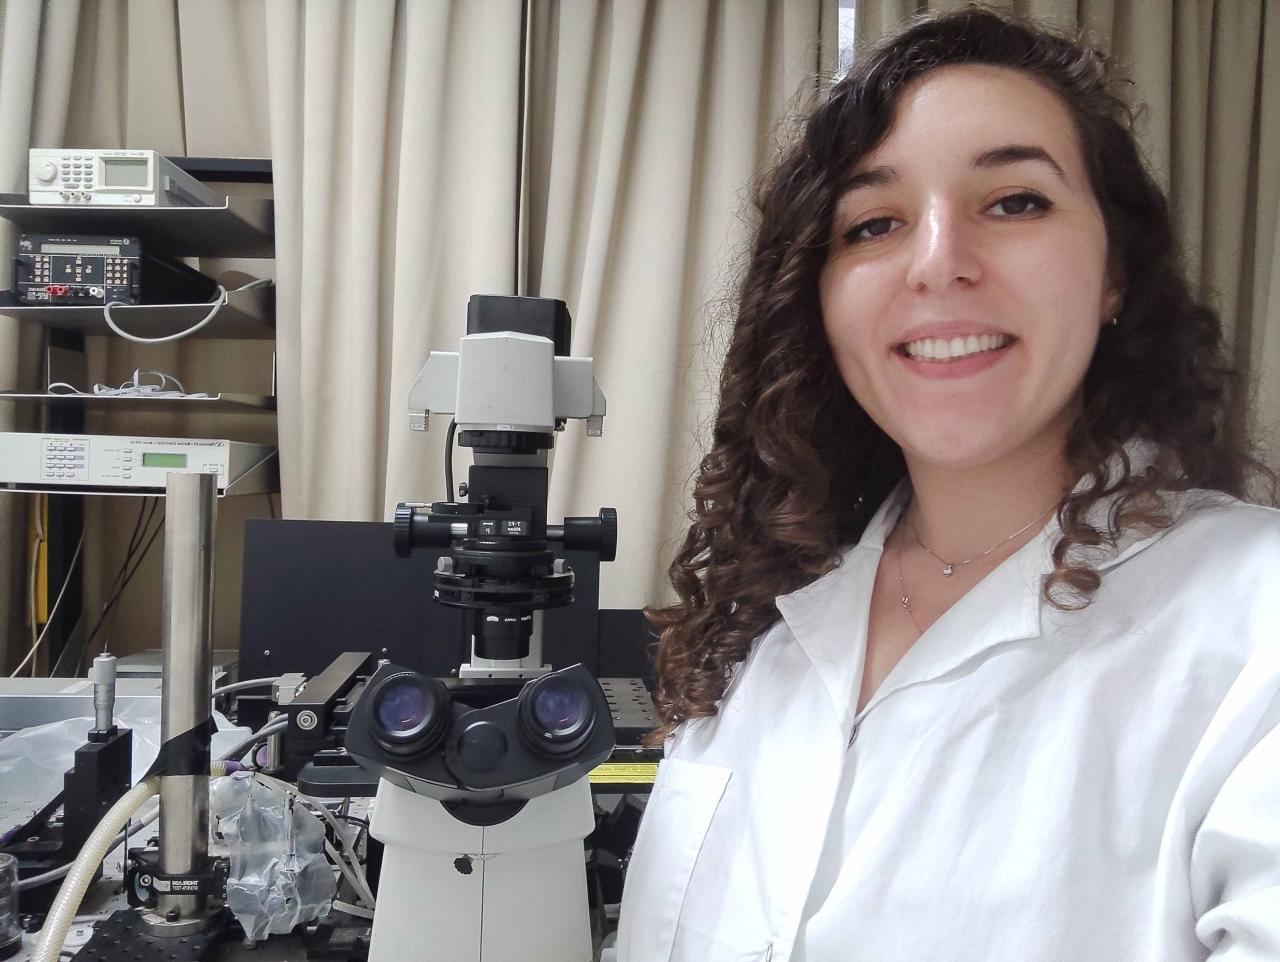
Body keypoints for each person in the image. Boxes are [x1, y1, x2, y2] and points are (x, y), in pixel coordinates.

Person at [614, 8, 1280, 962]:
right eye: (874, 224)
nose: (936, 263)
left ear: (1114, 274)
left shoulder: (1256, 625)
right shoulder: (765, 626)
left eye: (1014, 202)